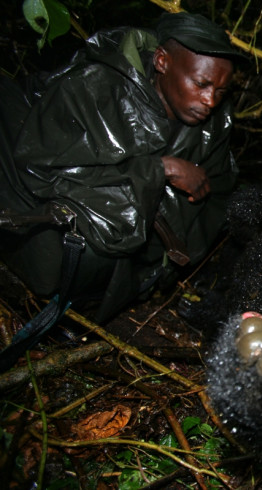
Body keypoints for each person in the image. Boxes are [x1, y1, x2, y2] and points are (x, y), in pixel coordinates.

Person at [0, 12, 243, 324]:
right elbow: (44, 170)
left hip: (137, 266)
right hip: (59, 231)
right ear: (162, 62)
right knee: (79, 256)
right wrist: (159, 170)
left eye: (221, 91)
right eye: (200, 83)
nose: (210, 100)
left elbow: (214, 203)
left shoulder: (214, 125)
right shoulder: (96, 88)